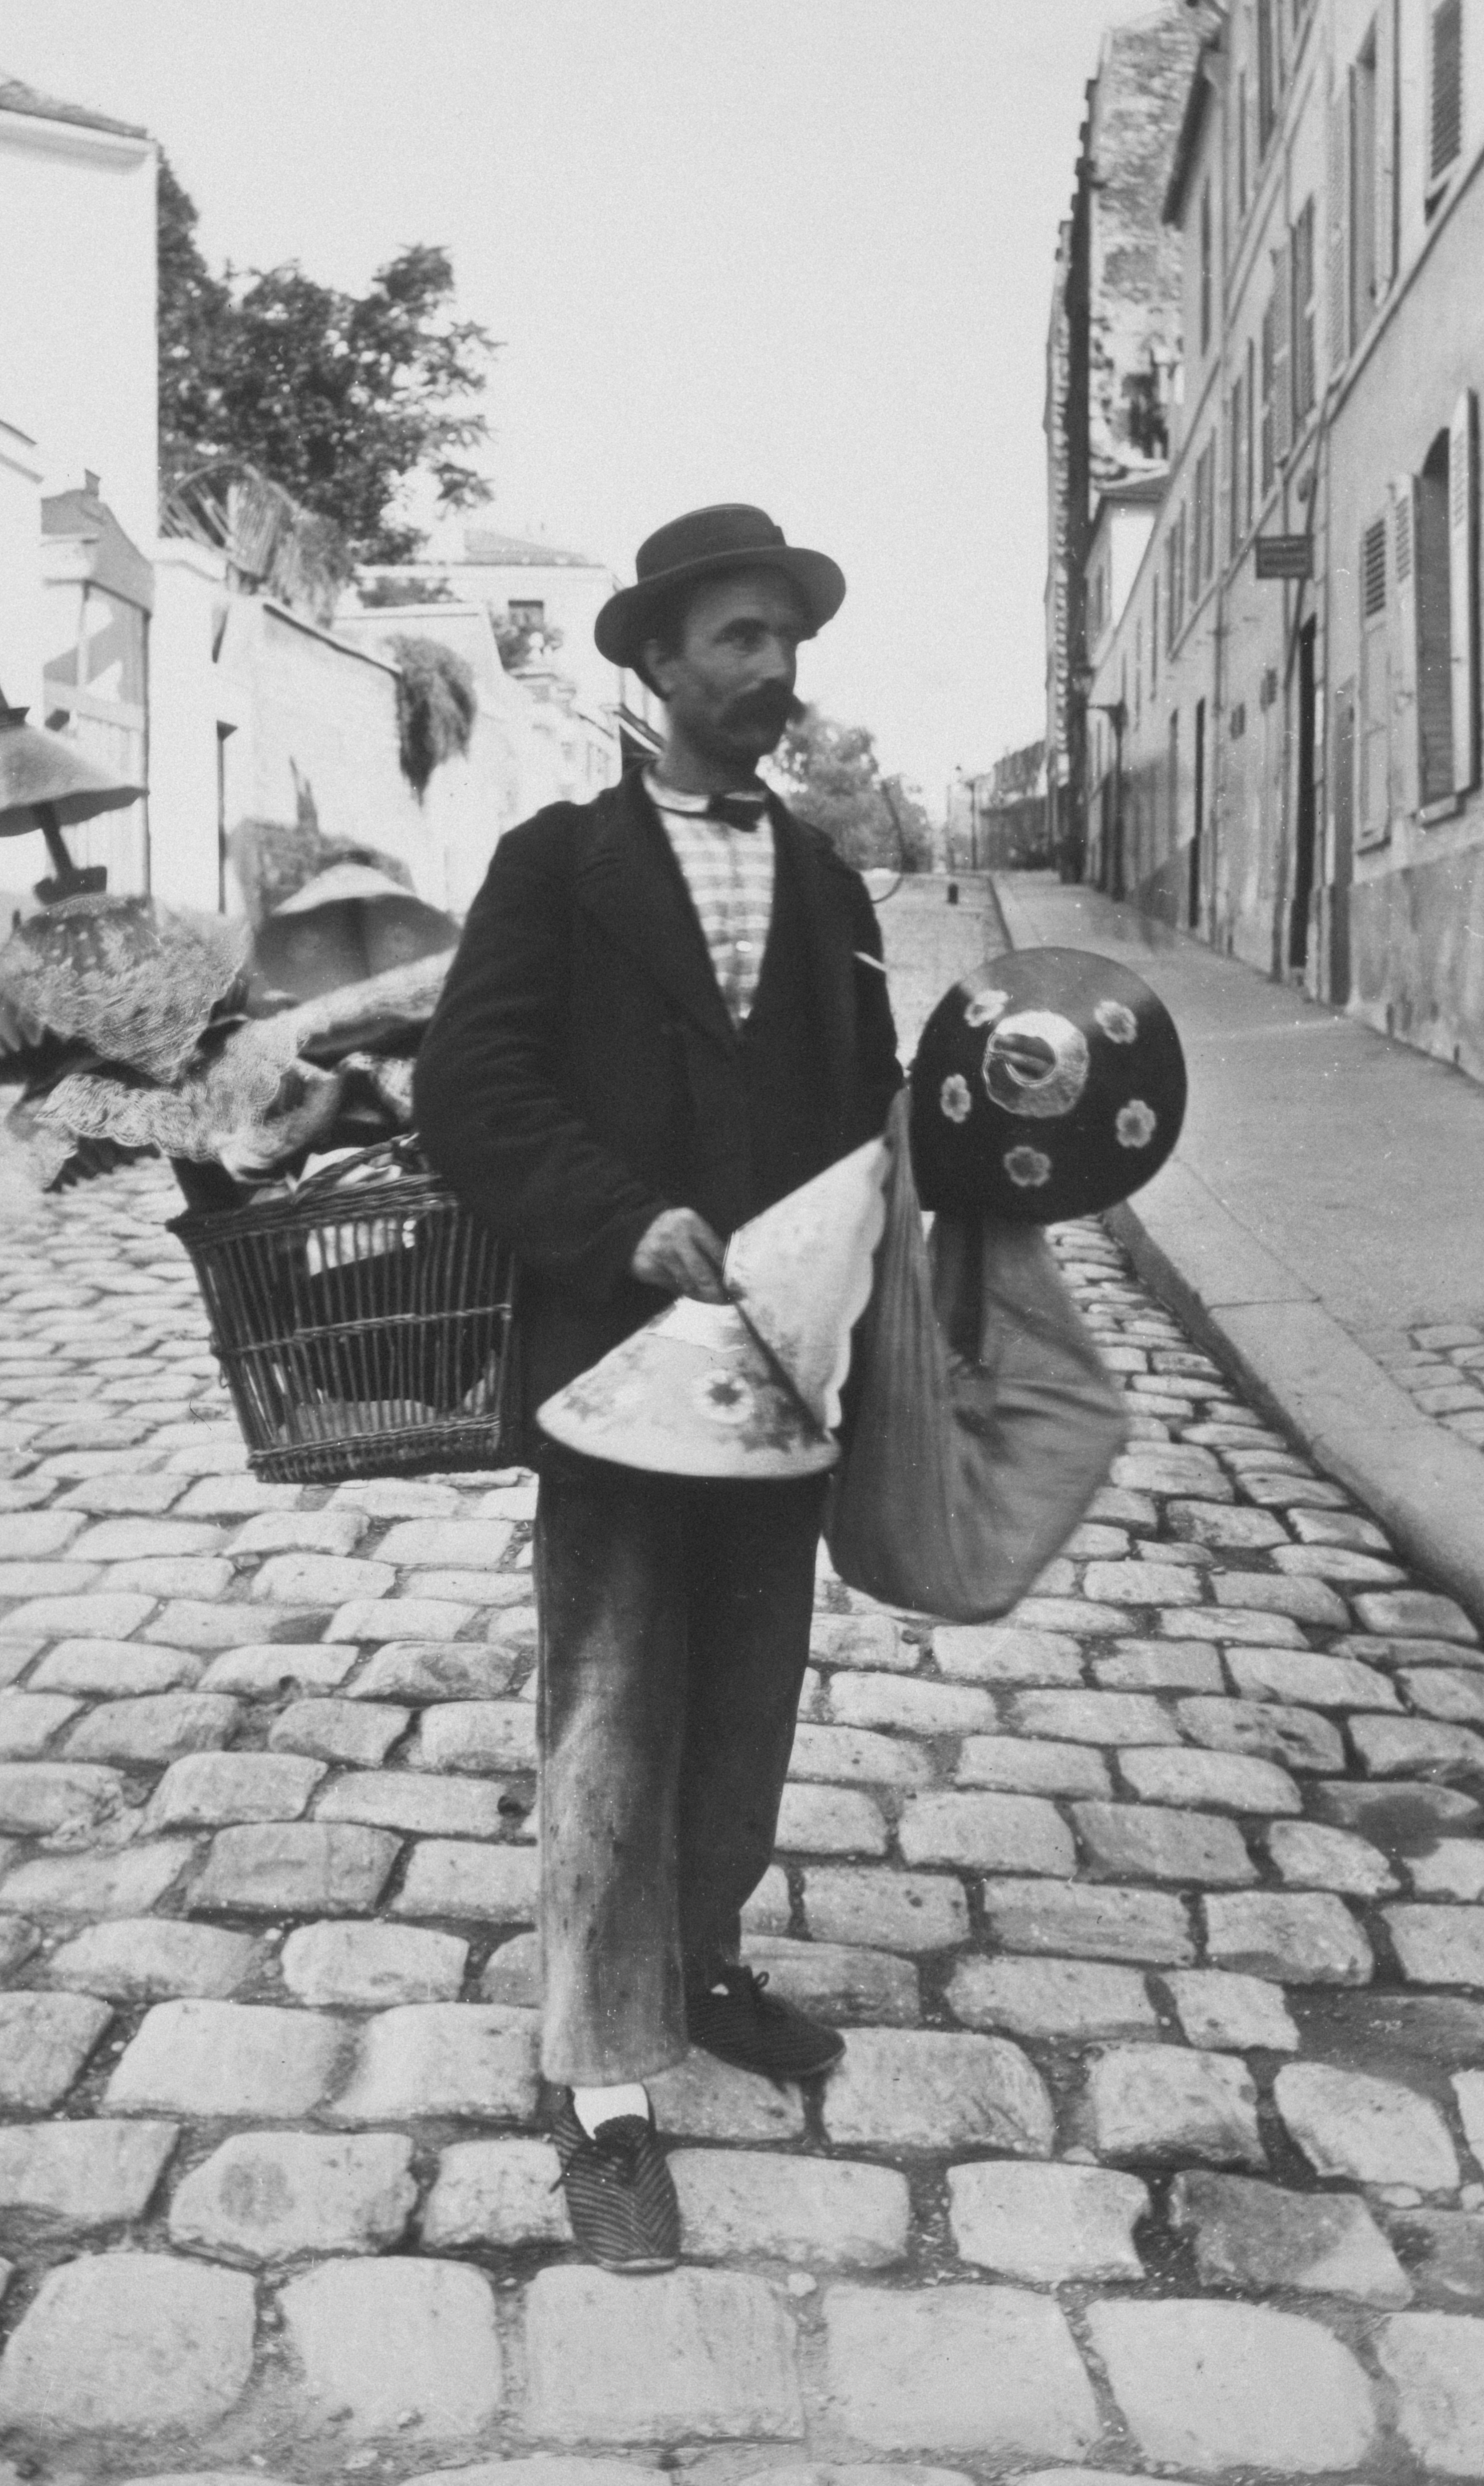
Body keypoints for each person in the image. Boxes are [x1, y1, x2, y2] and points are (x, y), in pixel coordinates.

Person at [414, 501, 903, 2271]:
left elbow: (871, 1130)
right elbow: (470, 1094)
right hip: (615, 1370)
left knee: (753, 1695)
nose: (772, 674)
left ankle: (697, 1960)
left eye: (788, 642)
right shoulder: (558, 864)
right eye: (739, 641)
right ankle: (602, 2090)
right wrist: (622, 1224)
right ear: (654, 661)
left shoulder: (834, 883)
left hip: (780, 1378)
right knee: (616, 1704)